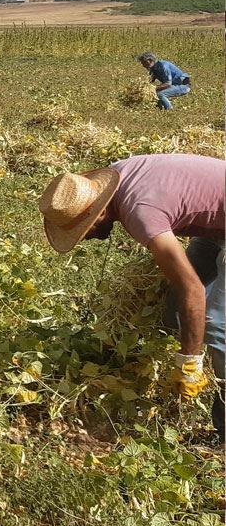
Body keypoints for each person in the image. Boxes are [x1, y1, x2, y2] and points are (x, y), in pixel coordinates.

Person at [39, 153, 224, 435]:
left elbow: (192, 288)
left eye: (83, 230)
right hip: (217, 227)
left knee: (217, 325)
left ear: (99, 212)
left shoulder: (140, 212)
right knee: (174, 314)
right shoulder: (117, 176)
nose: (85, 237)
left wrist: (189, 362)